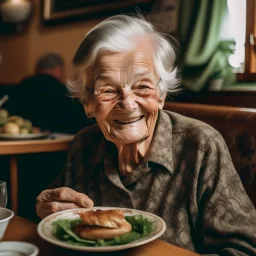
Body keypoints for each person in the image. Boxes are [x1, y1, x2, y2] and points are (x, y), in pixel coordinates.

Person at [36, 15, 256, 255]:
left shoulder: (201, 146)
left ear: (161, 95)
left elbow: (244, 249)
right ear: (88, 103)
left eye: (142, 86)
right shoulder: (83, 146)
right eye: (108, 90)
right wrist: (46, 209)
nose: (128, 104)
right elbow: (61, 222)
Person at [7, 53, 91, 134]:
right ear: (58, 69)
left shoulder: (21, 87)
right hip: (61, 143)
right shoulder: (64, 91)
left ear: (37, 69)